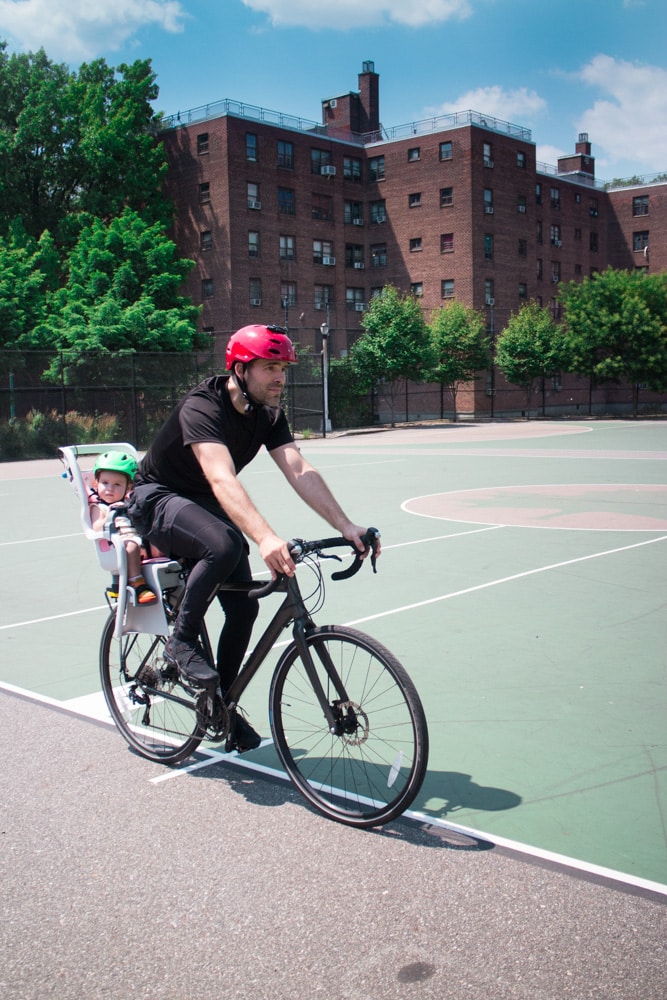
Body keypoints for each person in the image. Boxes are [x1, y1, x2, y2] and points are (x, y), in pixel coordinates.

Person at [127, 323, 378, 752]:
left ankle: (217, 705)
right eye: (270, 368)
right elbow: (222, 479)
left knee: (243, 610)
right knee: (226, 544)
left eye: (283, 368)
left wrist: (346, 525)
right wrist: (264, 537)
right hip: (157, 497)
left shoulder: (268, 415)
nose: (280, 378)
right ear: (240, 369)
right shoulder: (202, 407)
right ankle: (180, 641)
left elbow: (299, 469)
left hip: (201, 503)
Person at [89, 452, 158, 606]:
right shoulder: (99, 507)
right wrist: (110, 514)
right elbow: (96, 527)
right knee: (131, 545)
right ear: (96, 484)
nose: (109, 489)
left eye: (117, 485)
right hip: (116, 546)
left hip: (139, 541)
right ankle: (137, 583)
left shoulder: (128, 502)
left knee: (160, 541)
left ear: (129, 487)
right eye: (105, 483)